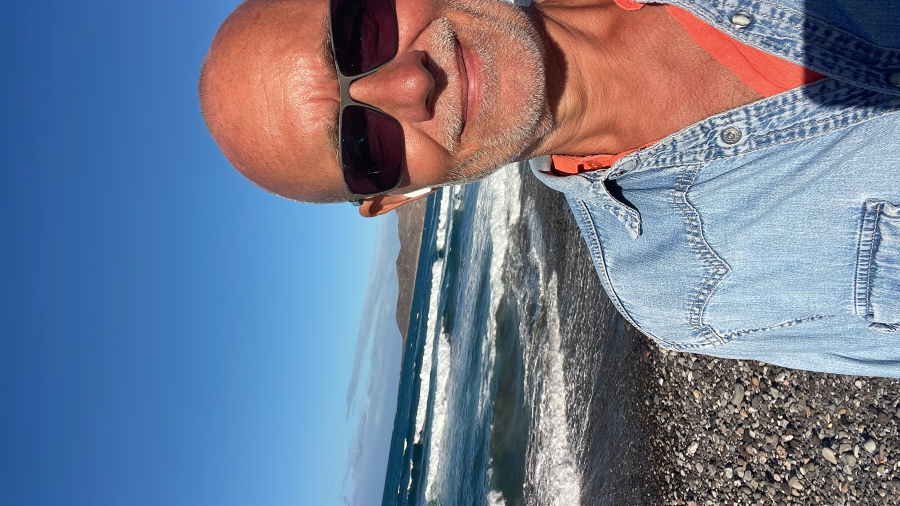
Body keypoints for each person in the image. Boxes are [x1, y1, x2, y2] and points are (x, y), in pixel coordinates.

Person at [199, 0, 900, 377]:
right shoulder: (687, 293)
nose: (409, 84)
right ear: (397, 197)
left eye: (361, 28)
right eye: (366, 148)